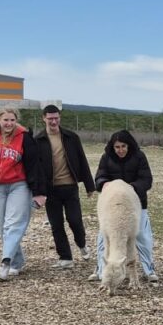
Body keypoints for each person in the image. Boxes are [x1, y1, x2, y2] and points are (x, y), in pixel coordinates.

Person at [0, 107, 49, 280]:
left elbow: (36, 165)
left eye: (12, 120)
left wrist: (39, 192)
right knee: (2, 227)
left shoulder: (25, 138)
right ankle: (17, 261)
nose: (9, 123)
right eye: (5, 120)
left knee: (13, 224)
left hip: (19, 185)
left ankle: (5, 263)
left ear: (16, 121)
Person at [29, 104, 95, 268]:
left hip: (70, 187)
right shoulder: (38, 141)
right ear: (43, 118)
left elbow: (82, 160)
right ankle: (65, 257)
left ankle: (82, 244)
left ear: (60, 118)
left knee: (75, 220)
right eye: (50, 118)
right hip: (51, 190)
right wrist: (37, 191)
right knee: (56, 224)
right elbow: (35, 168)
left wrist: (89, 185)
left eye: (56, 118)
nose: (53, 121)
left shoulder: (71, 137)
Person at [92, 129, 157, 282]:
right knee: (105, 237)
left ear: (129, 146)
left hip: (135, 205)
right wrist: (104, 183)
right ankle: (102, 269)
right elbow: (99, 177)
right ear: (112, 147)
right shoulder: (106, 158)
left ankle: (149, 269)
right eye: (117, 147)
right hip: (112, 207)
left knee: (142, 236)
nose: (120, 150)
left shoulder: (139, 157)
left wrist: (132, 187)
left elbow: (146, 180)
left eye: (123, 146)